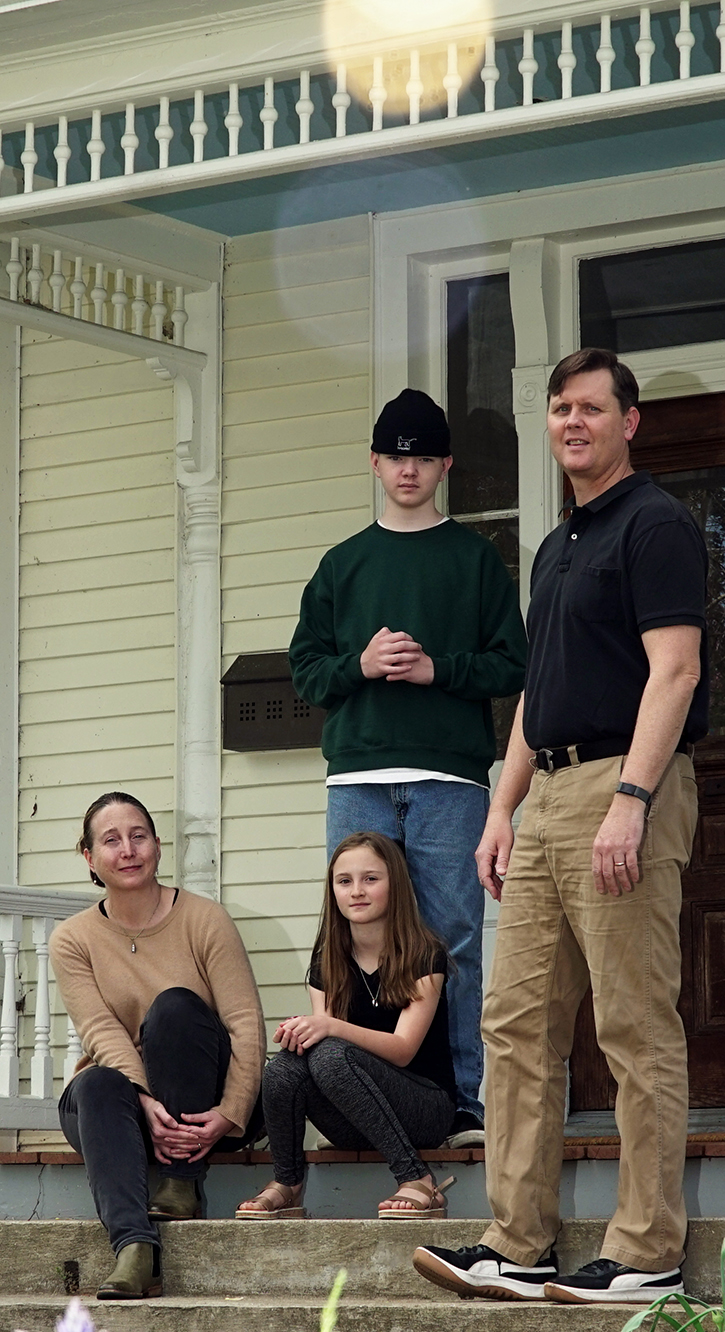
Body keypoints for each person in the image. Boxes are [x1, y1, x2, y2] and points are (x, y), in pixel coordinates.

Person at [414, 346, 708, 1306]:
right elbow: (539, 696)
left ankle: (647, 1251)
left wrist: (632, 797)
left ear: (629, 421)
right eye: (557, 410)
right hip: (546, 798)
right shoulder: (556, 545)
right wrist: (503, 807)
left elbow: (674, 673)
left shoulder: (655, 526)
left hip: (623, 788)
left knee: (630, 1023)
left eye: (590, 407)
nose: (571, 422)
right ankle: (517, 1242)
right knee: (515, 1023)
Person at [288, 388, 528, 1148]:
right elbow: (304, 672)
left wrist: (438, 670)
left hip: (449, 774)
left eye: (423, 457)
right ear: (373, 462)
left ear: (445, 465)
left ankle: (459, 1101)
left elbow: (511, 664)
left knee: (451, 934)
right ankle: (346, 1090)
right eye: (396, 456)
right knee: (349, 932)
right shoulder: (341, 564)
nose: (408, 470)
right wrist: (358, 664)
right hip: (356, 772)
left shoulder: (473, 558)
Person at [51, 791, 266, 1299]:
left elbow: (245, 1025)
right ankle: (134, 1249)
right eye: (111, 840)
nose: (127, 849)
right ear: (89, 857)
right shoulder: (72, 939)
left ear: (157, 846)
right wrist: (145, 1101)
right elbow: (101, 1033)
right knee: (97, 1080)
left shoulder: (205, 919)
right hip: (125, 1111)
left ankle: (181, 1180)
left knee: (173, 1008)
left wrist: (232, 1113)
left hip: (205, 1106)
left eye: (138, 836)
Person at [236, 832, 460, 1222]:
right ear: (333, 891)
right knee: (286, 1065)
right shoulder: (327, 963)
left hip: (424, 1109)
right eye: (345, 881)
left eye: (371, 878)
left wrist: (330, 1027)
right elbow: (322, 1047)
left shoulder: (425, 954)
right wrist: (302, 1034)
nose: (356, 891)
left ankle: (418, 1178)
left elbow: (403, 1048)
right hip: (355, 1118)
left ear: (396, 885)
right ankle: (287, 1183)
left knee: (330, 1052)